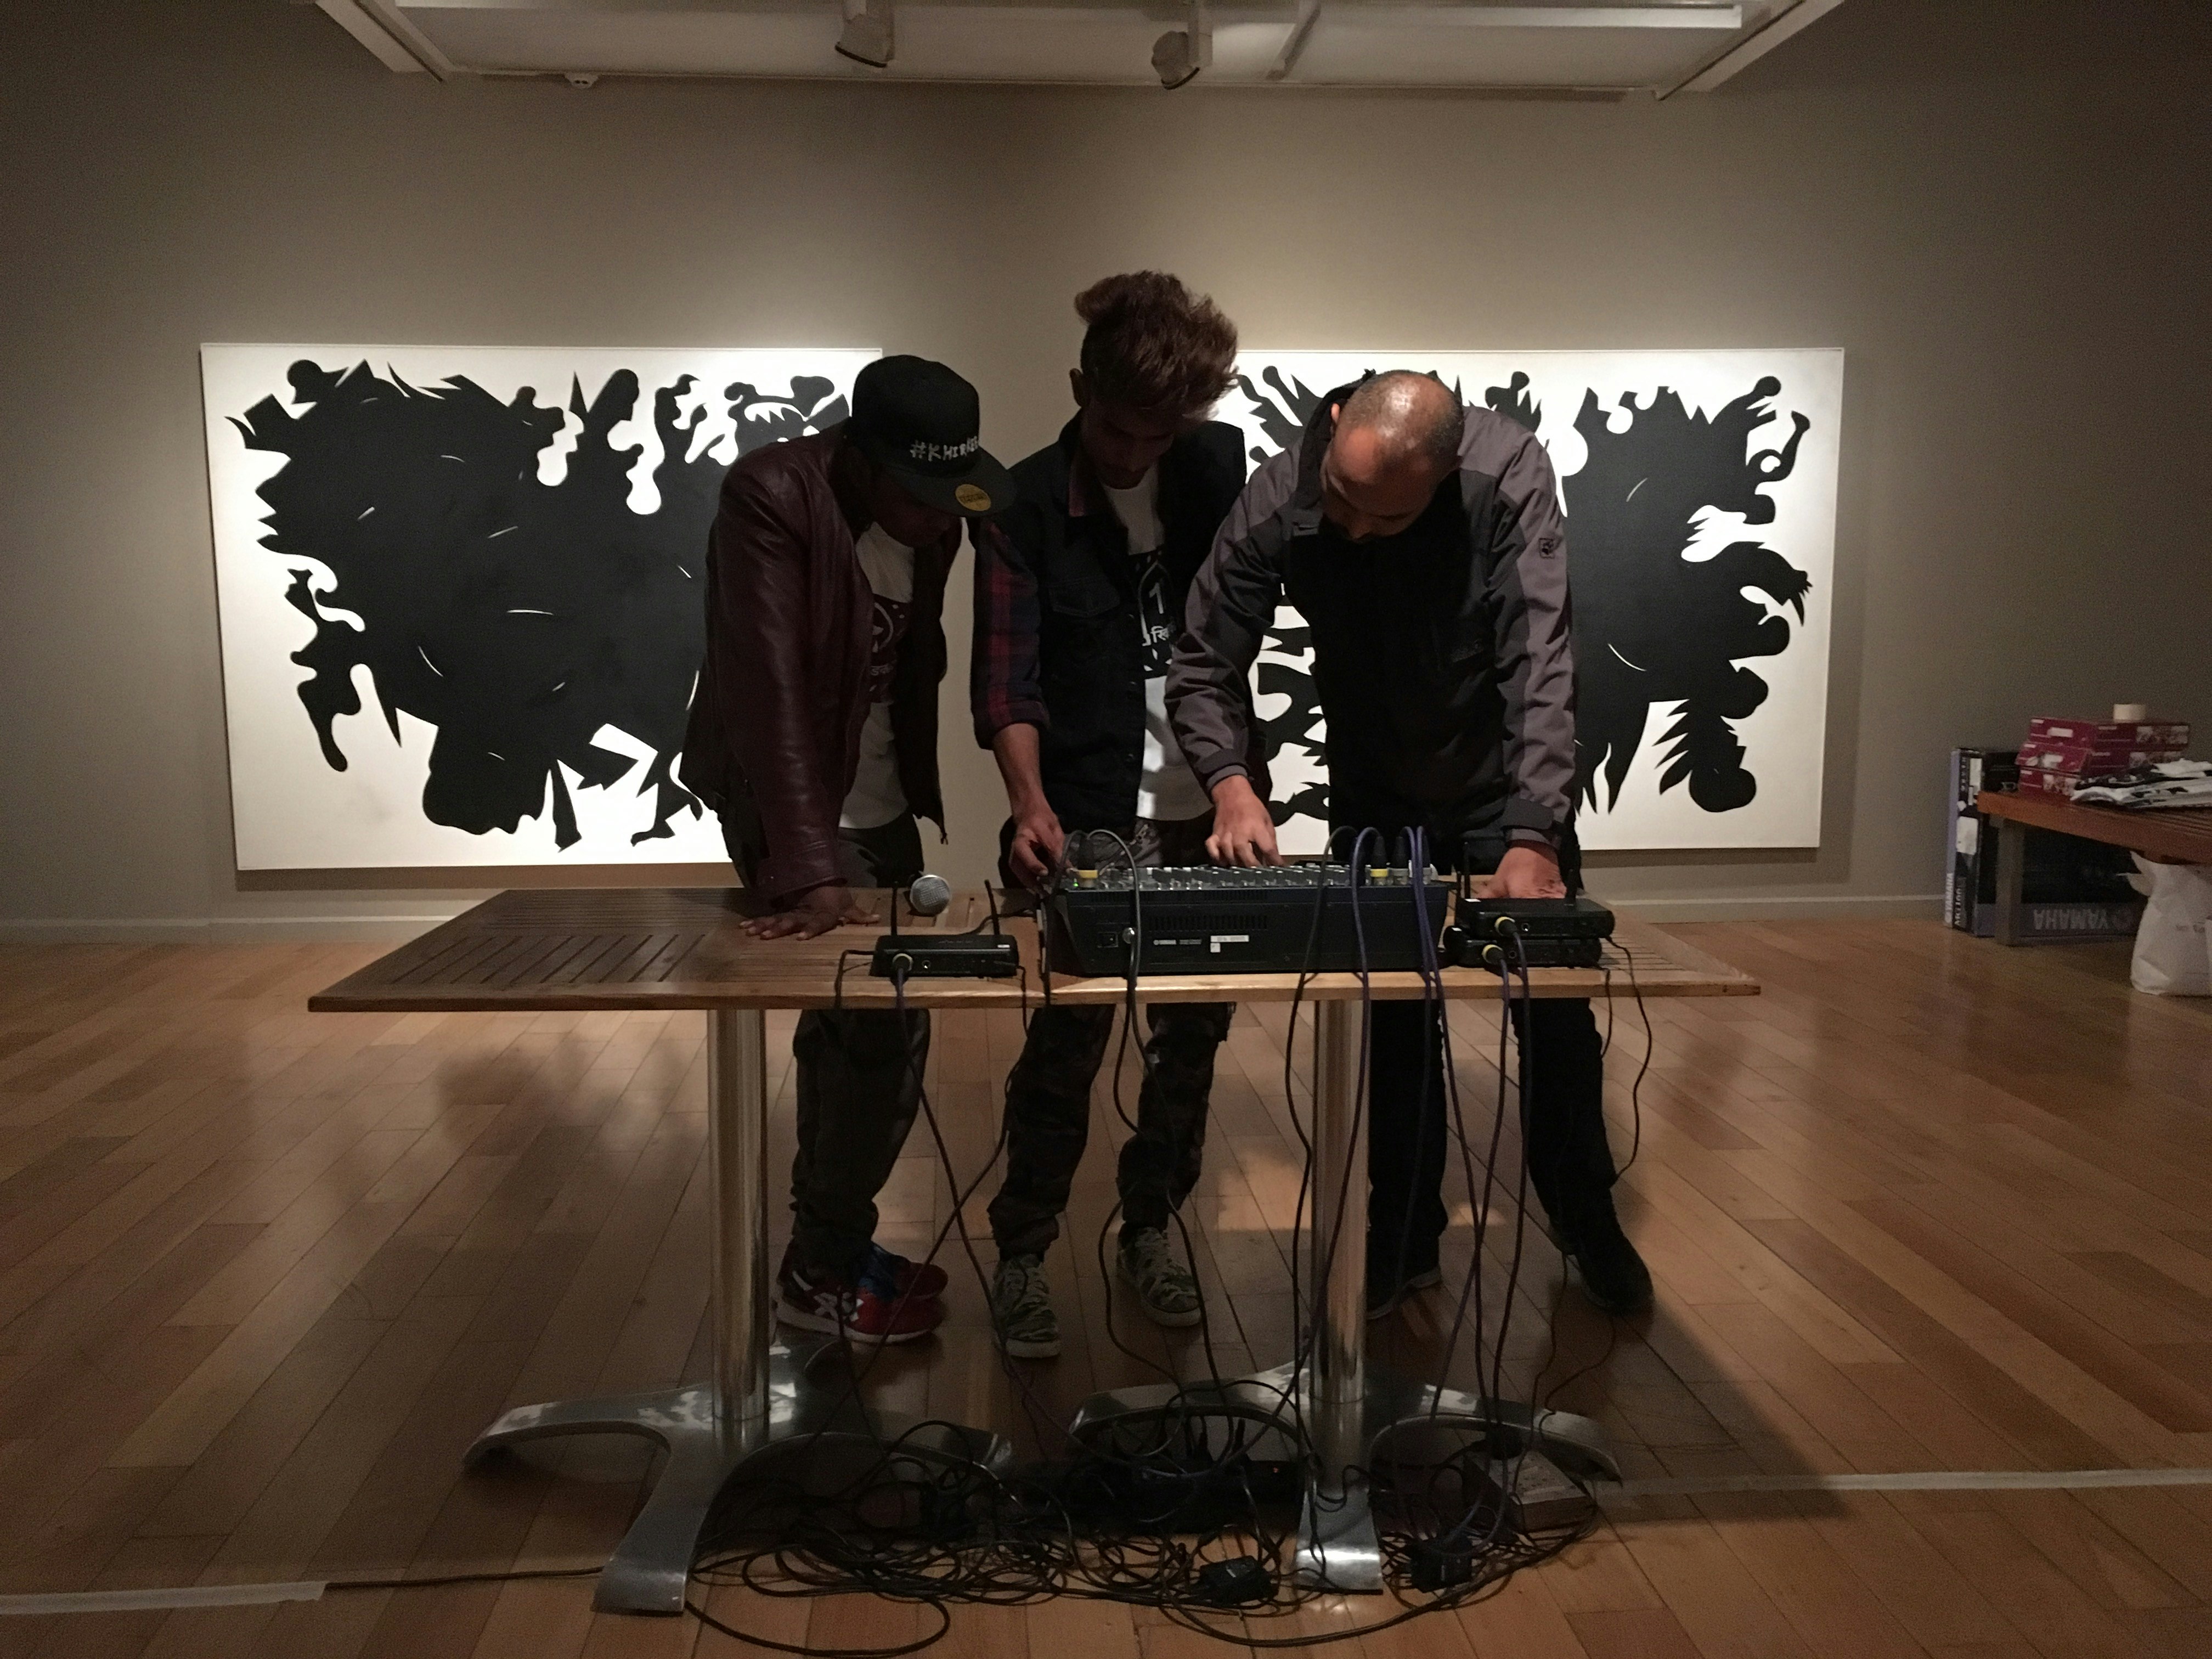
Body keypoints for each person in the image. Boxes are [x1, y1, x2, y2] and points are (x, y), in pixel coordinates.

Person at [1166, 371, 1654, 1319]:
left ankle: (1586, 1217)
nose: (1353, 529)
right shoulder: (1279, 496)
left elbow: (1540, 659)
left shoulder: (1506, 473)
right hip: (1376, 788)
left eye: (1386, 520)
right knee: (1389, 1025)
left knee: (1555, 1024)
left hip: (1503, 787)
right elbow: (1203, 658)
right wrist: (1231, 783)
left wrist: (1532, 832)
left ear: (1441, 474)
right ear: (1336, 425)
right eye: (1343, 503)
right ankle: (1402, 1235)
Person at [681, 355, 1013, 1344]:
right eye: (916, 495)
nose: (934, 518)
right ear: (861, 461)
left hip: (875, 799)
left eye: (947, 496)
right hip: (793, 796)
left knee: (853, 1028)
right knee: (884, 1028)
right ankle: (819, 1270)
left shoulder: (932, 519)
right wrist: (809, 863)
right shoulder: (772, 496)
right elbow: (765, 683)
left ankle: (822, 1247)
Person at [969, 273, 1253, 1358]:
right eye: (1120, 429)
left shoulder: (1215, 473)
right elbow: (1009, 679)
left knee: (1193, 1041)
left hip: (1208, 810)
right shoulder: (1024, 504)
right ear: (1080, 388)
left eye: (1161, 433)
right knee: (1067, 1041)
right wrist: (1028, 803)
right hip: (1088, 807)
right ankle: (1024, 1252)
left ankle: (1152, 1228)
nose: (1137, 455)